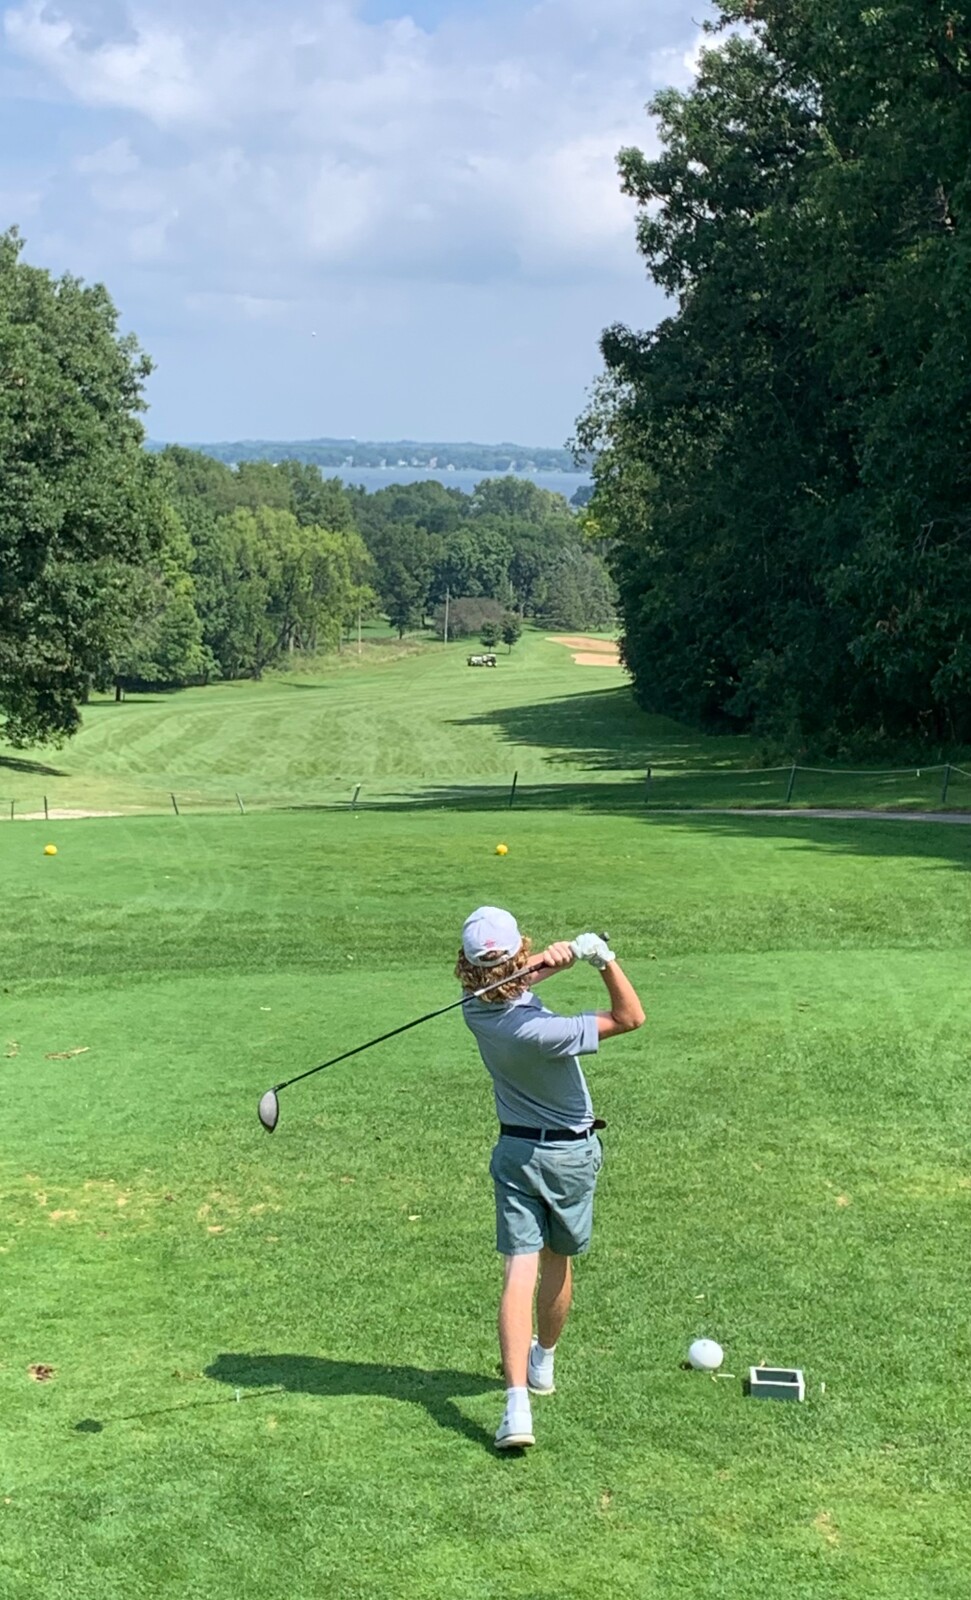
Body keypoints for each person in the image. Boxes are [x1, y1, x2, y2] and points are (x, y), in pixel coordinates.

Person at [456, 905, 645, 1450]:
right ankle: (543, 1361)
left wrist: (558, 959)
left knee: (519, 1270)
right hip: (567, 1157)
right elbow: (630, 1017)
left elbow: (507, 979)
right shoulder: (542, 1031)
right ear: (519, 951)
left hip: (514, 1151)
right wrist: (603, 960)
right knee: (556, 1260)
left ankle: (516, 1406)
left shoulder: (473, 1006)